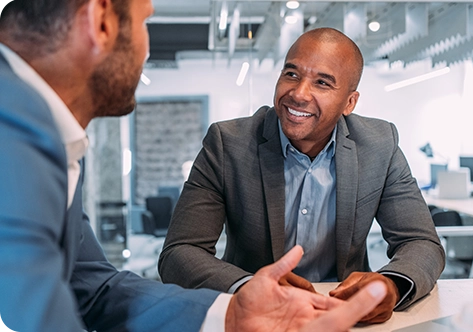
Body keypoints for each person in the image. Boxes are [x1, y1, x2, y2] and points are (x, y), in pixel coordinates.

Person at [0, 1, 389, 331]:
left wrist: (231, 313)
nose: (148, 49)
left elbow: (93, 288)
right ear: (100, 21)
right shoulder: (14, 139)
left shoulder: (55, 141)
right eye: (144, 22)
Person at [159, 27, 446, 324]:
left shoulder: (379, 145)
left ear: (349, 103)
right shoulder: (227, 143)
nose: (298, 94)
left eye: (322, 83)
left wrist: (392, 284)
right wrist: (248, 288)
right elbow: (180, 253)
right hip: (254, 319)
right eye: (292, 74)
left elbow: (422, 242)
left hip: (343, 316)